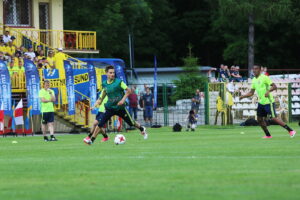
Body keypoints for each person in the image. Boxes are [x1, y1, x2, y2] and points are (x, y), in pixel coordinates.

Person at [83, 65, 148, 145]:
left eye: (113, 72)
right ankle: (92, 140)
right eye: (110, 73)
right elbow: (101, 98)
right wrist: (94, 106)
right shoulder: (104, 84)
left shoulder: (119, 82)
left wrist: (122, 100)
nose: (112, 74)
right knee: (100, 124)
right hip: (110, 108)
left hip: (120, 108)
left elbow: (129, 90)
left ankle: (142, 129)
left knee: (131, 123)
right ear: (106, 73)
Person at [239, 65, 296, 138]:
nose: (254, 70)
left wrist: (268, 91)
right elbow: (251, 92)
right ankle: (268, 135)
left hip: (269, 102)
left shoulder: (264, 77)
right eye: (253, 69)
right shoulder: (254, 80)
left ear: (260, 70)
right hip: (261, 102)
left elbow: (275, 86)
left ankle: (291, 130)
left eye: (256, 69)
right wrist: (243, 96)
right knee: (259, 119)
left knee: (273, 118)